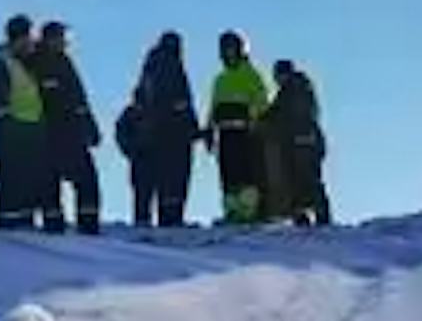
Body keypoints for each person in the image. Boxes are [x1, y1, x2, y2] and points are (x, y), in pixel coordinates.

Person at [119, 31, 200, 231]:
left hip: (146, 141)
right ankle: (169, 222)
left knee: (144, 190)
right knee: (171, 184)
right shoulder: (173, 67)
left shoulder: (150, 68)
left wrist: (130, 145)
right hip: (169, 138)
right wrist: (193, 130)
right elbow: (182, 104)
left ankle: (143, 222)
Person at [29, 20, 104, 235]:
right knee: (53, 183)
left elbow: (78, 97)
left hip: (72, 131)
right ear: (50, 38)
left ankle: (88, 226)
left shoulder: (63, 61)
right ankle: (55, 228)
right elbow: (55, 99)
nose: (65, 42)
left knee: (86, 181)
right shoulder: (40, 62)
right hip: (53, 132)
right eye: (60, 37)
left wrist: (89, 125)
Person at [0, 14, 46, 232]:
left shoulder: (22, 62)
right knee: (11, 177)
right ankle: (10, 224)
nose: (31, 42)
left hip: (29, 126)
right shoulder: (0, 58)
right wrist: (5, 118)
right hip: (10, 126)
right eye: (27, 37)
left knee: (29, 177)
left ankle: (25, 222)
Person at [207, 29, 272, 227]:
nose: (227, 54)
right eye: (224, 50)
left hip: (245, 131)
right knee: (228, 173)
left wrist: (253, 119)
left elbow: (261, 100)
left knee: (246, 173)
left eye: (231, 49)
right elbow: (214, 106)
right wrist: (210, 129)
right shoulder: (220, 79)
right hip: (225, 132)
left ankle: (248, 212)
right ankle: (232, 211)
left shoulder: (251, 75)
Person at [270, 59, 331, 228]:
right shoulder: (291, 91)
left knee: (307, 181)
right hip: (299, 142)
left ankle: (319, 218)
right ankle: (307, 218)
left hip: (303, 142)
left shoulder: (295, 90)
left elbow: (285, 115)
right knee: (299, 182)